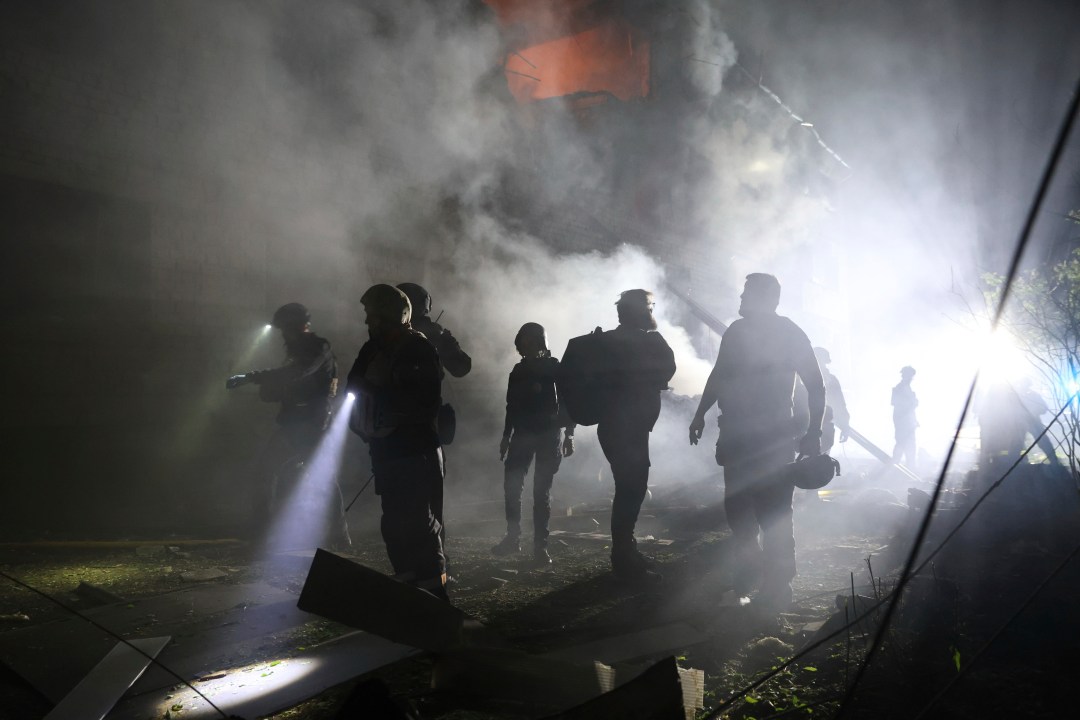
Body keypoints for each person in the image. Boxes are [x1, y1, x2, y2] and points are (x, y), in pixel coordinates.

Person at [689, 273, 825, 611]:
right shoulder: (738, 332)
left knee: (774, 511)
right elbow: (719, 374)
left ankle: (777, 585)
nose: (741, 299)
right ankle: (751, 574)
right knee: (740, 510)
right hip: (739, 434)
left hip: (771, 439)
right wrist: (700, 413)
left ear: (767, 298)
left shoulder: (789, 334)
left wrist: (814, 433)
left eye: (747, 293)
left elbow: (816, 384)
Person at [346, 285, 448, 601]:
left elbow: (422, 401)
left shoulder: (416, 348)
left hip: (414, 450)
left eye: (372, 315)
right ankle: (407, 588)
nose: (367, 322)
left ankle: (435, 596)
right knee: (393, 522)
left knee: (419, 523)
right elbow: (354, 385)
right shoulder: (373, 349)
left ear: (390, 315)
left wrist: (379, 401)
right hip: (386, 450)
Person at [226, 303, 350, 548]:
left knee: (302, 474)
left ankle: (336, 534)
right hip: (298, 423)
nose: (284, 335)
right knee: (273, 471)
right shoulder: (301, 349)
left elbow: (296, 374)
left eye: (286, 329)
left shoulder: (317, 348)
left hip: (310, 424)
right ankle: (334, 534)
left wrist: (253, 377)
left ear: (295, 326)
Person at [594, 290, 676, 582]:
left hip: (611, 425)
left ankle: (625, 552)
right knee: (632, 489)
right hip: (630, 427)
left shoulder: (605, 341)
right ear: (644, 311)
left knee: (627, 488)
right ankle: (624, 559)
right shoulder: (647, 340)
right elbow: (669, 367)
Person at [493, 323, 576, 565]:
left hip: (548, 435)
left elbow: (568, 402)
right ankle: (514, 539)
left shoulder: (554, 368)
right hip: (524, 435)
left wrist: (570, 434)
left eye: (528, 341)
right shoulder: (518, 371)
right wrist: (506, 436)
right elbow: (512, 406)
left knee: (541, 492)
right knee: (513, 487)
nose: (524, 346)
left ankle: (540, 547)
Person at [396, 283, 472, 378]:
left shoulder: (386, 328)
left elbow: (461, 368)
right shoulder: (432, 332)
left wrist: (446, 341)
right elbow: (461, 368)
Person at [814, 347, 851, 454]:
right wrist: (845, 425)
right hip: (816, 428)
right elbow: (840, 405)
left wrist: (845, 424)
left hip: (818, 428)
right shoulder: (801, 379)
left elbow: (839, 405)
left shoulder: (801, 379)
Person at [892, 366, 919, 469]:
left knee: (908, 446)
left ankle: (908, 468)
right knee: (902, 444)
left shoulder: (906, 388)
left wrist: (915, 420)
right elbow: (899, 406)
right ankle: (895, 468)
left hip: (908, 422)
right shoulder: (899, 389)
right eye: (911, 376)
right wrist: (913, 404)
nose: (912, 378)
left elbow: (909, 408)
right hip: (903, 423)